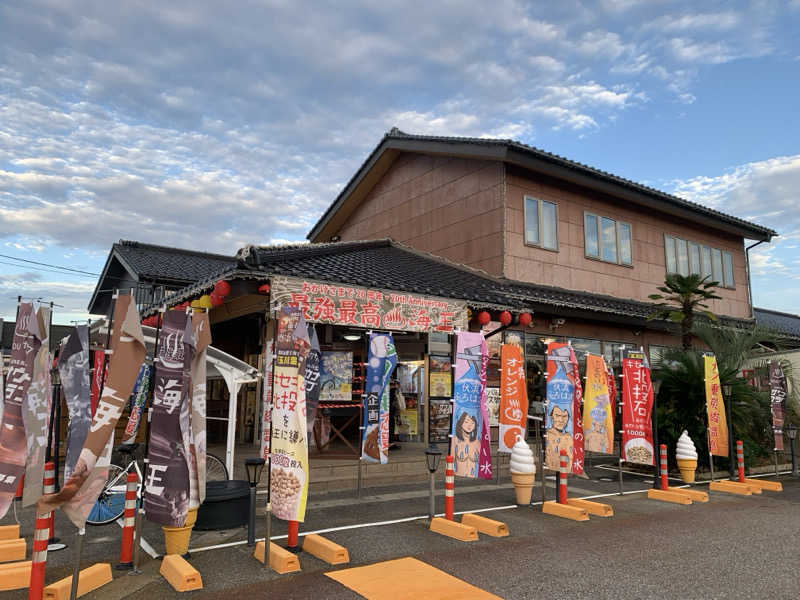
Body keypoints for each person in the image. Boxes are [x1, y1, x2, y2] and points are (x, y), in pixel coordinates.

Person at [452, 412, 480, 476]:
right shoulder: (455, 440)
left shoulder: (477, 442)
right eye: (466, 422)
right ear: (461, 422)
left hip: (474, 477)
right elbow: (451, 460)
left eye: (473, 423)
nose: (469, 425)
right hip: (458, 477)